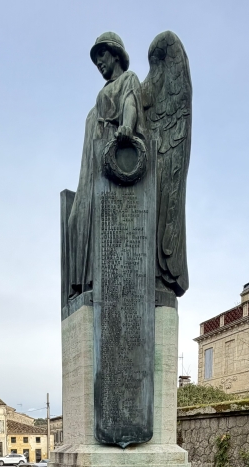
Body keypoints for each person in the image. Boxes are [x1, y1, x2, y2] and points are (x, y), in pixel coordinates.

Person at [66, 32, 145, 298]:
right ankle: (81, 285)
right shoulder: (100, 96)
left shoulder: (128, 79)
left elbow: (130, 102)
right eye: (95, 58)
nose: (98, 62)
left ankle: (92, 283)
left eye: (102, 55)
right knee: (75, 218)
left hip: (111, 167)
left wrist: (126, 125)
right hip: (91, 170)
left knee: (96, 220)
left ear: (115, 54)